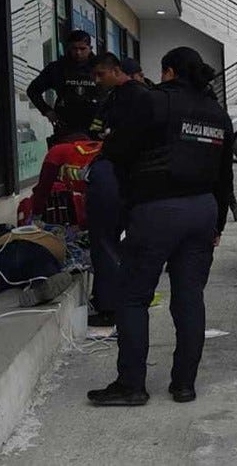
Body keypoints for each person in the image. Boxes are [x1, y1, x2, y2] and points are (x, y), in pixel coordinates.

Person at [88, 47, 234, 407]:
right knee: (189, 299)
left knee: (134, 297)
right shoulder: (218, 113)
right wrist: (217, 225)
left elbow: (116, 152)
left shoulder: (154, 102)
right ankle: (184, 385)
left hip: (156, 211)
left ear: (168, 72)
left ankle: (131, 386)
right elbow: (224, 176)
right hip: (202, 211)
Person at [83, 52, 151, 327]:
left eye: (101, 74)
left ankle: (111, 305)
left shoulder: (133, 96)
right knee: (114, 242)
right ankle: (118, 300)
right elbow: (97, 129)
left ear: (116, 70)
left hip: (119, 177)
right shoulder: (115, 96)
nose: (97, 80)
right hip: (122, 177)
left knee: (106, 242)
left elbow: (128, 138)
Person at [27, 30, 100, 144]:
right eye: (74, 48)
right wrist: (47, 111)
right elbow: (33, 90)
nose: (78, 52)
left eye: (82, 49)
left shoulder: (100, 68)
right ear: (68, 48)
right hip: (66, 124)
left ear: (90, 48)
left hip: (95, 124)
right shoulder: (57, 68)